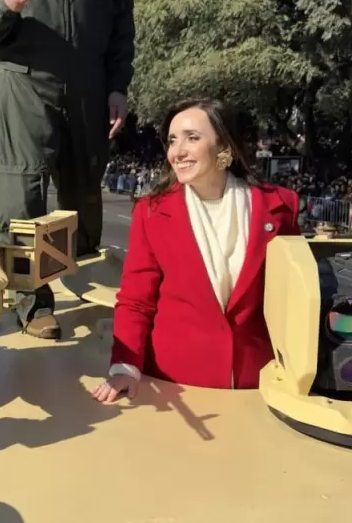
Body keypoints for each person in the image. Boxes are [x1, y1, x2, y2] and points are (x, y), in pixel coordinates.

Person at [0, 0, 135, 339]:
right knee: (24, 193)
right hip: (25, 80)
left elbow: (123, 22)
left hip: (91, 83)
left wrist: (117, 85)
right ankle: (32, 302)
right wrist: (5, 3)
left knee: (85, 188)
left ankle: (86, 284)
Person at [92, 99, 301, 402]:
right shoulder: (150, 212)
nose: (177, 152)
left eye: (192, 137)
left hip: (257, 385)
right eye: (173, 140)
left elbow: (295, 300)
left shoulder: (281, 208)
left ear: (224, 145)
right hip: (174, 384)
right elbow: (136, 300)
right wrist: (125, 367)